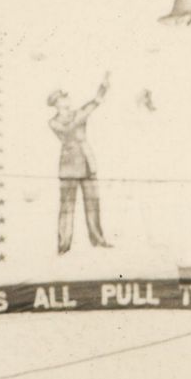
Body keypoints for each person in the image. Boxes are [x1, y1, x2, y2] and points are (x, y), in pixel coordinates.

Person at [48, 73, 114, 253]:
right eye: (63, 98)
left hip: (87, 163)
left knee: (93, 204)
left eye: (66, 97)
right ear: (57, 103)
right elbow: (68, 130)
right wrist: (83, 114)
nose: (67, 99)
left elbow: (96, 101)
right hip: (69, 167)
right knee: (67, 208)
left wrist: (103, 87)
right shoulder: (53, 122)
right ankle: (63, 245)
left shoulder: (78, 113)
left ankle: (98, 239)